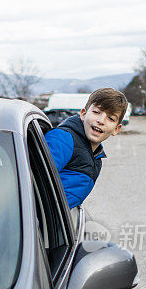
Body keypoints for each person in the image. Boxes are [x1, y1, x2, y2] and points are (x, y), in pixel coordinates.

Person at [45, 88, 128, 223]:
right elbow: (29, 186)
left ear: (116, 129)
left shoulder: (96, 158)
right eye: (96, 112)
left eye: (110, 118)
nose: (101, 120)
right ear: (83, 114)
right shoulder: (63, 139)